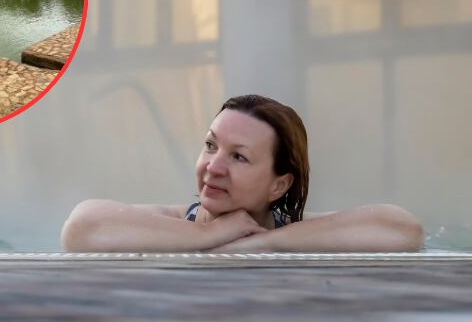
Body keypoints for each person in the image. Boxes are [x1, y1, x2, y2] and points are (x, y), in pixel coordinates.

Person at [61, 94, 424, 253]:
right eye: (210, 145)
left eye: (239, 157)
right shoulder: (171, 222)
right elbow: (82, 226)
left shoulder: (294, 232)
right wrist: (208, 235)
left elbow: (403, 229)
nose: (213, 167)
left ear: (278, 184)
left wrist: (261, 244)